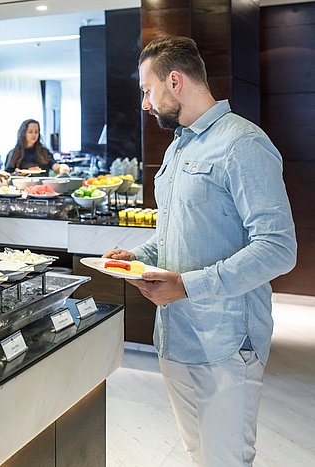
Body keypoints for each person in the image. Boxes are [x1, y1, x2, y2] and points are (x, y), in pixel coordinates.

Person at [103, 36, 296, 466]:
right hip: (175, 337)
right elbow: (173, 234)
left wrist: (188, 286)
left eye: (147, 91)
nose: (144, 104)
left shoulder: (242, 143)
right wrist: (138, 258)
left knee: (225, 460)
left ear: (175, 82)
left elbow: (278, 248)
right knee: (198, 456)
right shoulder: (178, 146)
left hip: (226, 343)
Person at [4, 119, 70, 175]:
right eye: (30, 132)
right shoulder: (14, 153)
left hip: (43, 185)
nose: (34, 135)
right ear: (23, 133)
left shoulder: (44, 152)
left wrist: (61, 167)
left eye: (36, 132)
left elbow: (54, 165)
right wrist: (17, 174)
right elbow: (7, 174)